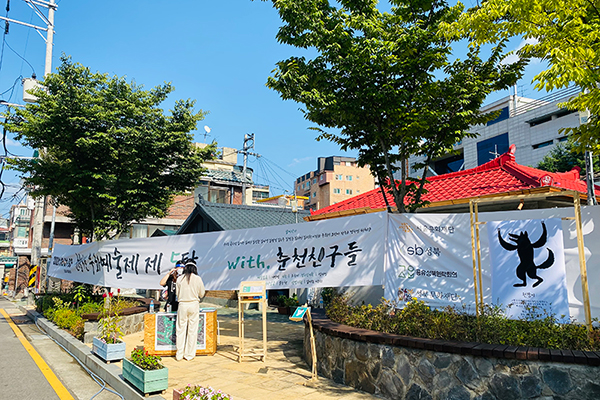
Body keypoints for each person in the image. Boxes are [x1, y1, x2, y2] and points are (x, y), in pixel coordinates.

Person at [175, 260, 205, 361]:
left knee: (180, 330)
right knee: (192, 330)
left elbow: (177, 294)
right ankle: (189, 354)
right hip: (193, 304)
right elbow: (202, 294)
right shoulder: (197, 279)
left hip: (182, 304)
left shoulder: (179, 279)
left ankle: (179, 354)